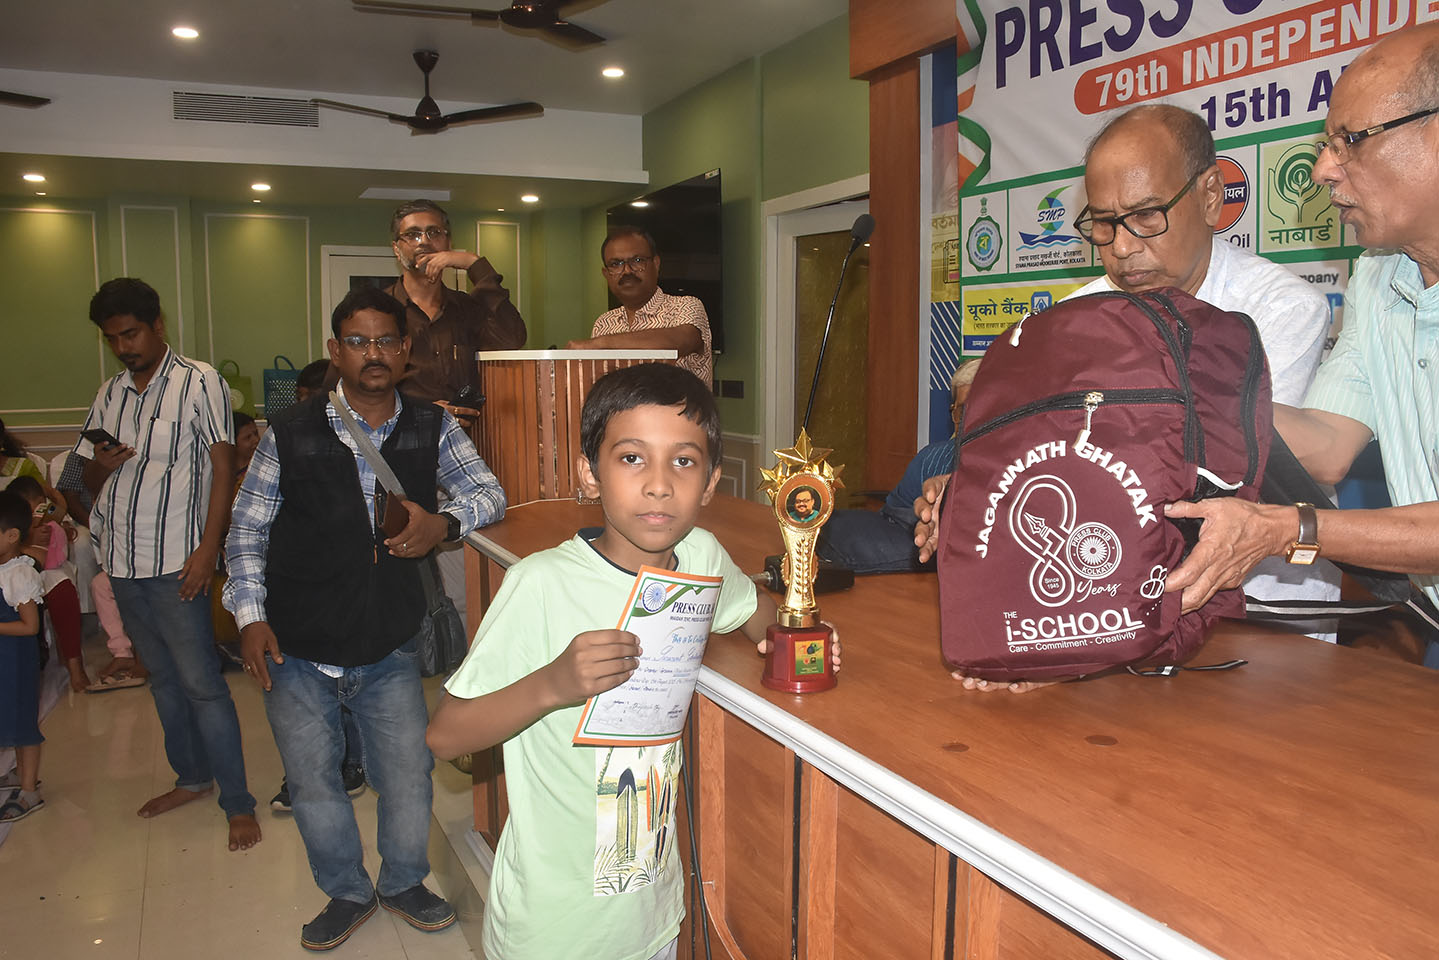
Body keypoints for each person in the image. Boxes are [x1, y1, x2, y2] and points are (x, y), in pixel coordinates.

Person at [427, 363, 839, 960]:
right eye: (631, 458)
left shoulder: (700, 554)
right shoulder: (540, 584)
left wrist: (801, 641)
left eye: (683, 461)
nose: (659, 484)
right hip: (552, 929)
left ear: (711, 482)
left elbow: (753, 613)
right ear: (589, 474)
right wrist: (551, 685)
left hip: (652, 915)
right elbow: (445, 735)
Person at [225, 286, 507, 950]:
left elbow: (488, 492)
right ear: (336, 350)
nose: (372, 353)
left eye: (385, 340)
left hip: (388, 643)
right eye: (358, 341)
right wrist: (250, 617)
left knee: (406, 776)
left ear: (405, 350)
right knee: (313, 781)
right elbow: (246, 531)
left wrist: (444, 523)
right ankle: (347, 893)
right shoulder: (289, 433)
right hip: (296, 645)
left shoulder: (431, 426)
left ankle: (404, 882)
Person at [1163, 23, 1439, 670]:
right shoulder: (1379, 277)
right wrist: (1166, 387)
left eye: (1350, 141)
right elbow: (1325, 445)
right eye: (1324, 145)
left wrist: (1288, 529)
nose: (1322, 170)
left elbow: (1301, 507)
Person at [75, 277, 260, 850]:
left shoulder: (199, 381)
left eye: (130, 334)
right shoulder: (109, 394)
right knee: (162, 682)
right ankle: (192, 779)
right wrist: (103, 464)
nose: (123, 347)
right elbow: (84, 480)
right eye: (112, 338)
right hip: (122, 562)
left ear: (157, 325)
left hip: (177, 562)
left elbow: (223, 468)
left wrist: (208, 549)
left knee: (202, 684)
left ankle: (238, 803)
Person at [817, 358, 979, 573]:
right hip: (902, 541)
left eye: (981, 410)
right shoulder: (931, 459)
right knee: (819, 523)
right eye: (962, 412)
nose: (971, 422)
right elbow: (890, 518)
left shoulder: (1022, 473)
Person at [384, 199, 526, 419]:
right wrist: (423, 413)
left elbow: (512, 339)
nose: (424, 241)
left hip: (464, 436)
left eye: (434, 233)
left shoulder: (466, 308)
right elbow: (357, 388)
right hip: (400, 435)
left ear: (448, 243)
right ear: (396, 248)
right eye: (412, 234)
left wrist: (473, 263)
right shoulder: (380, 310)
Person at [566, 227, 714, 386]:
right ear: (606, 274)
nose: (626, 271)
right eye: (616, 264)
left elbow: (679, 342)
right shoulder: (604, 323)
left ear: (656, 264)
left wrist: (599, 345)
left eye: (637, 261)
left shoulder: (685, 306)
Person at [9, 476, 89, 692]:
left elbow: (60, 509)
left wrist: (52, 494)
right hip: (19, 570)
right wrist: (26, 541)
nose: (36, 516)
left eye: (39, 507)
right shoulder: (11, 522)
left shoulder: (50, 520)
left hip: (49, 570)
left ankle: (75, 664)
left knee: (62, 590)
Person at [0, 489, 46, 823]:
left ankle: (30, 791)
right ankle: (20, 773)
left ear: (12, 536)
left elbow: (30, 627)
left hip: (15, 662)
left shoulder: (19, 574)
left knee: (23, 722)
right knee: (8, 717)